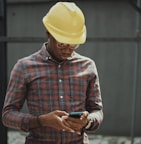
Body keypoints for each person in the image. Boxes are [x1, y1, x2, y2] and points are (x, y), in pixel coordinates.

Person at [2, 2, 103, 144]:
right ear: (48, 33)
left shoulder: (88, 66)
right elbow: (7, 115)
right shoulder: (24, 67)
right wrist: (41, 121)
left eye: (73, 44)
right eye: (62, 43)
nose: (68, 49)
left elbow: (97, 111)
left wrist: (87, 121)